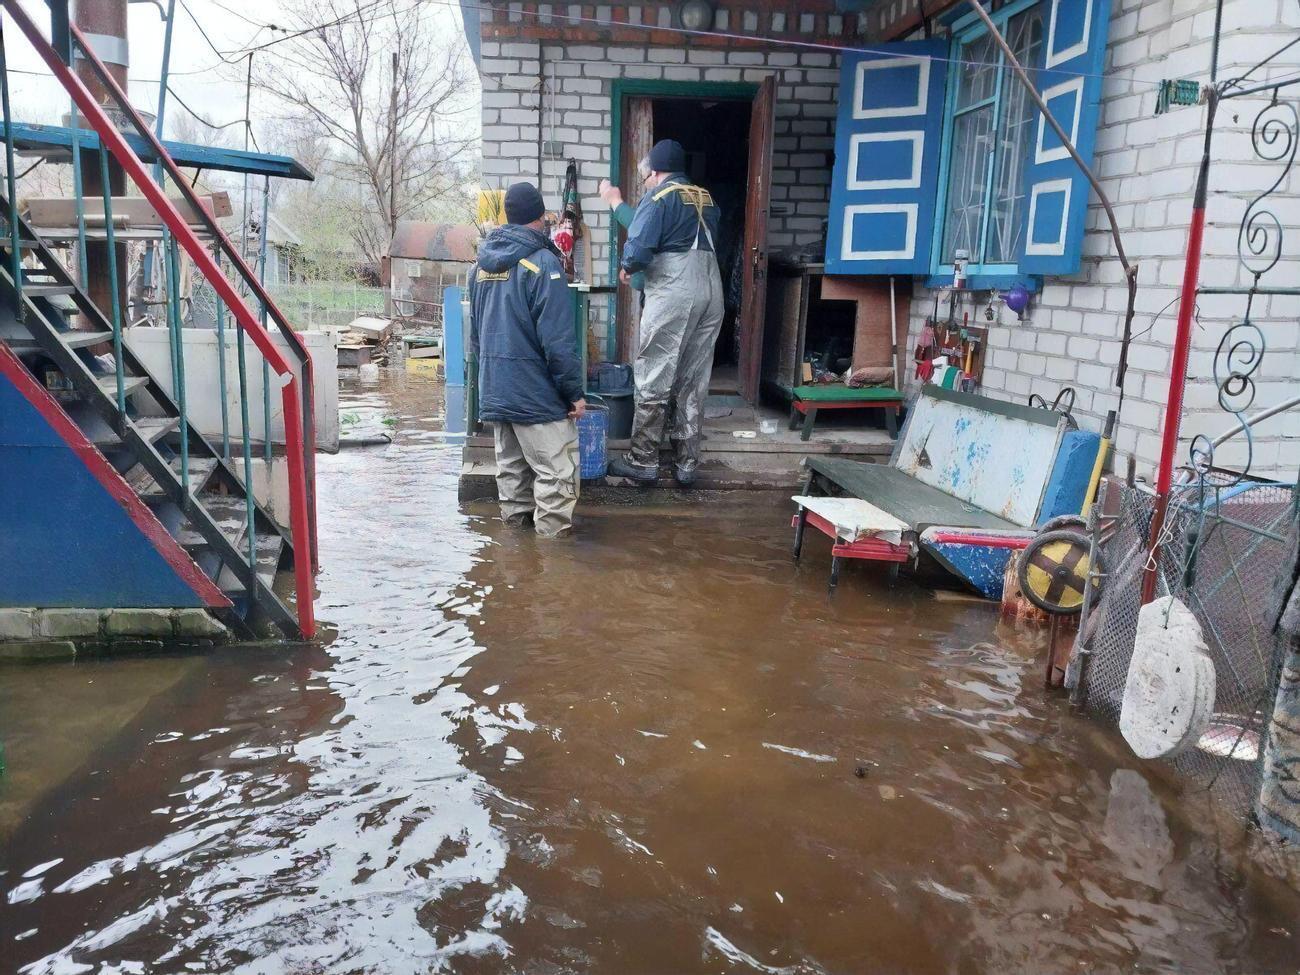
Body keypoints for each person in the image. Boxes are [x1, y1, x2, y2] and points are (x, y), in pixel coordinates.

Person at [602, 140, 723, 487]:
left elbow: (638, 249)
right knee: (693, 378)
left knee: (654, 371)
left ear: (654, 173)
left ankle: (642, 460)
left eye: (646, 178)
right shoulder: (706, 198)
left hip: (675, 291)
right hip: (710, 290)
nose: (646, 184)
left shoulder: (659, 198)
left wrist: (628, 267)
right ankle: (686, 464)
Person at [469, 181, 586, 538]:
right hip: (536, 398)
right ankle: (551, 573)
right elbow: (558, 343)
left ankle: (515, 569)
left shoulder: (480, 267)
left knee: (513, 483)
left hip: (497, 395)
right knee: (556, 480)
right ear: (540, 217)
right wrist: (574, 394)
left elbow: (475, 337)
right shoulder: (543, 263)